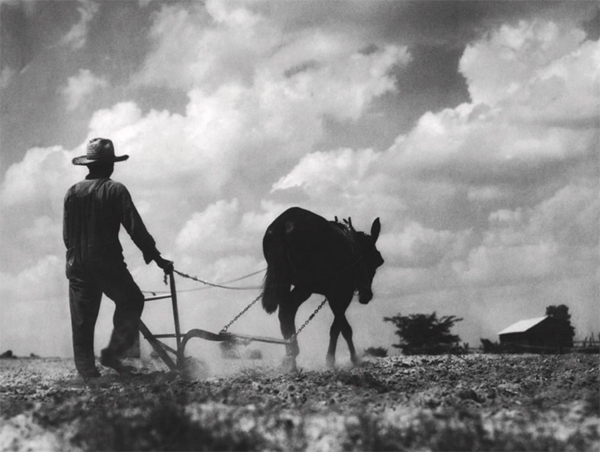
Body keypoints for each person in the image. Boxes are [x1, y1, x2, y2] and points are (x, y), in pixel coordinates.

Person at [63, 138, 173, 378]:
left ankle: (88, 375)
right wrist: (156, 257)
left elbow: (67, 236)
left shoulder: (72, 193)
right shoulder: (115, 189)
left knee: (82, 321)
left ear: (89, 166)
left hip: (77, 264)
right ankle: (114, 353)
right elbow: (135, 228)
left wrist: (76, 259)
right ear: (109, 165)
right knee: (132, 300)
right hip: (106, 263)